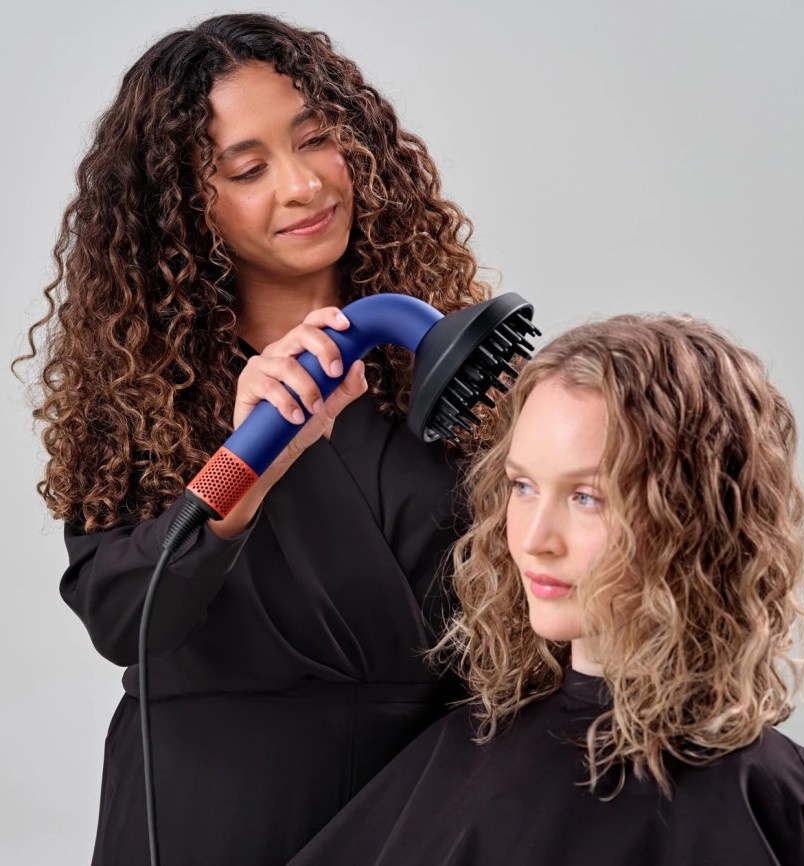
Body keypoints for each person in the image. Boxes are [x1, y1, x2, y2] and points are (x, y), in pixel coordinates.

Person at [20, 13, 494, 865]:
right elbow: (126, 617)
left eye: (315, 141)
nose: (305, 186)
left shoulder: (447, 365)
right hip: (218, 816)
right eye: (248, 169)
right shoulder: (144, 402)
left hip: (433, 809)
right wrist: (249, 465)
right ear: (185, 209)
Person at [287, 314, 804, 866]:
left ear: (693, 515)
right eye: (523, 486)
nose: (535, 539)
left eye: (586, 497)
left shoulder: (751, 792)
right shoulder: (466, 746)